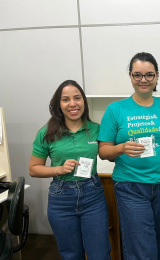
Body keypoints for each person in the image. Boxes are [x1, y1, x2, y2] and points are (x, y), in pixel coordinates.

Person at [98, 52, 160, 260]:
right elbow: (103, 151)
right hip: (131, 186)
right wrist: (121, 148)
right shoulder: (115, 110)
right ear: (130, 76)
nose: (143, 80)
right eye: (137, 75)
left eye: (149, 75)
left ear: (157, 76)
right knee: (141, 249)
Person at [29, 80, 111, 260]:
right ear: (58, 105)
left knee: (100, 253)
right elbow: (34, 169)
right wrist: (58, 169)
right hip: (61, 198)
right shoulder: (47, 133)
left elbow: (108, 153)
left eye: (77, 98)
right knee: (71, 255)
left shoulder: (96, 129)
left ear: (84, 102)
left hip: (93, 195)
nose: (72, 104)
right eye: (65, 99)